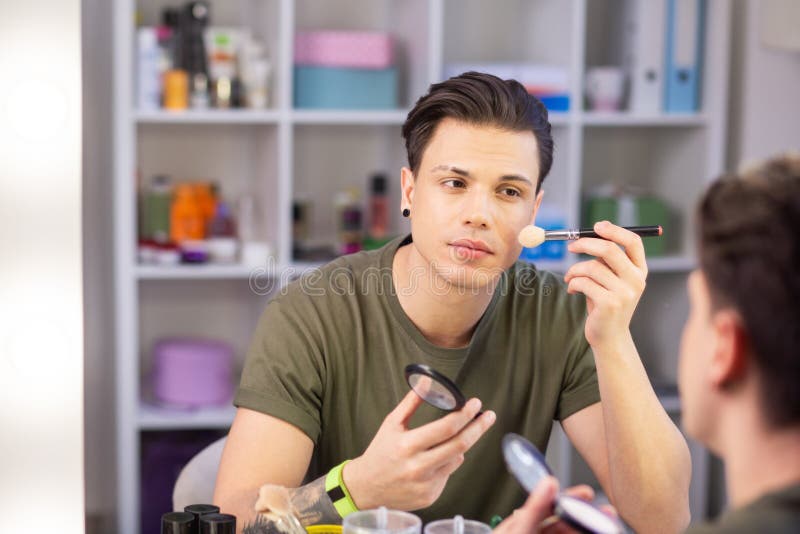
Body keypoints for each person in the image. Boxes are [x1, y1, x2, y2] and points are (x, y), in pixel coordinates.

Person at [214, 72, 691, 533]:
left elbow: (662, 520)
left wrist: (614, 339)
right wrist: (357, 487)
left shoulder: (564, 315)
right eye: (455, 183)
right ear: (409, 190)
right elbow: (235, 524)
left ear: (534, 211)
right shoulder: (310, 314)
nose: (479, 215)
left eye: (509, 191)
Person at [494, 154, 800, 533]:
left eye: (695, 310)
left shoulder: (555, 312)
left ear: (725, 348)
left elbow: (663, 518)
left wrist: (613, 337)